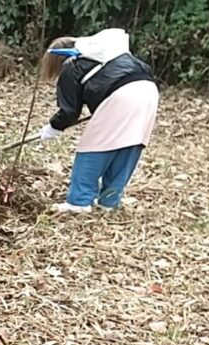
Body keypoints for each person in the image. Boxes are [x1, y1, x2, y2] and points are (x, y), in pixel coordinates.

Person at [39, 28, 159, 213]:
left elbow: (70, 111)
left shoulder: (71, 64)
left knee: (93, 147)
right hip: (148, 91)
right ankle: (109, 201)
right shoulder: (108, 54)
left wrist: (52, 128)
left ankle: (78, 202)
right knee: (129, 143)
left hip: (120, 96)